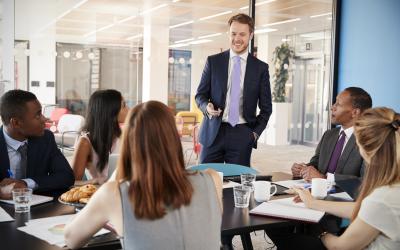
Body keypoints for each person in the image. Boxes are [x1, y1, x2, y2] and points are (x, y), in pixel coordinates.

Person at [64, 101, 222, 250]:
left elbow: (71, 239)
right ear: (174, 138)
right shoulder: (212, 179)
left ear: (128, 142)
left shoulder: (113, 193)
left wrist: (120, 170)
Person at [274, 107, 400, 250]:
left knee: (281, 234)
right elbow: (363, 208)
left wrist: (321, 233)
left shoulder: (382, 198)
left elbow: (339, 246)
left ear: (365, 148)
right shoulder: (389, 190)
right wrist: (312, 202)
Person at [195, 13, 272, 166]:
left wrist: (254, 134)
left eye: (242, 34)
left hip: (242, 134)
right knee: (204, 180)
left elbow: (266, 108)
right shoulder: (213, 62)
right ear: (228, 34)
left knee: (238, 184)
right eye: (233, 34)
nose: (237, 39)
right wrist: (206, 107)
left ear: (251, 35)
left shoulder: (260, 68)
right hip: (213, 132)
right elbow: (200, 95)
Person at [0, 90, 74, 199]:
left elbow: (66, 176)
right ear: (16, 123)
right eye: (38, 115)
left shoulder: (45, 139)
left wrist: (25, 183)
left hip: (39, 209)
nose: (45, 119)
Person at [292, 87, 372, 182]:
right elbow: (316, 163)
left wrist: (324, 179)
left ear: (355, 112)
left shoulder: (369, 141)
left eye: (338, 104)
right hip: (315, 192)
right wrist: (303, 169)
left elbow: (366, 182)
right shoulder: (329, 135)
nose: (332, 108)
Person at [71, 89, 128, 184]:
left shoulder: (124, 136)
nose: (128, 109)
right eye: (124, 106)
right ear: (110, 112)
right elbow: (72, 182)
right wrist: (95, 181)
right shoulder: (85, 142)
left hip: (122, 191)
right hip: (100, 194)